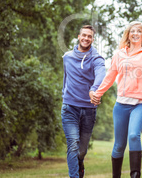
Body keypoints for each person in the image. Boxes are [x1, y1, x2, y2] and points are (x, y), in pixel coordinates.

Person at [90, 21, 142, 178]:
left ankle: (135, 175)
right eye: (132, 31)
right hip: (121, 105)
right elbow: (110, 77)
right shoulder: (119, 54)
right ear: (128, 34)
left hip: (141, 104)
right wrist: (97, 93)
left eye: (138, 31)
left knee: (134, 135)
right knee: (119, 145)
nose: (135, 33)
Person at [61, 25, 106, 178]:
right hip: (70, 108)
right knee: (73, 144)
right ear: (79, 36)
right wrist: (64, 95)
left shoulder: (96, 58)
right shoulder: (67, 57)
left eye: (90, 36)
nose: (86, 38)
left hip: (88, 110)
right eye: (84, 35)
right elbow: (66, 79)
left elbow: (101, 74)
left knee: (82, 150)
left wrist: (94, 89)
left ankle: (80, 164)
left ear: (93, 39)